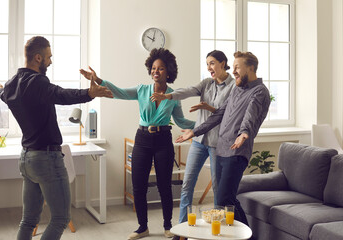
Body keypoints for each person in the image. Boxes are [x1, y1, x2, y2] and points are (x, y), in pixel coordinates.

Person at [0, 36, 113, 240]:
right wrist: (89, 94)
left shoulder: (12, 84)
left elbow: (2, 93)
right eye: (49, 57)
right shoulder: (37, 81)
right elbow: (60, 94)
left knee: (28, 220)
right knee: (60, 219)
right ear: (38, 58)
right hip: (47, 159)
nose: (51, 61)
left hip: (27, 159)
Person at [80, 48, 195, 240]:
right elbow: (119, 92)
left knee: (164, 185)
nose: (155, 71)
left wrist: (203, 124)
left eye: (160, 68)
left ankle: (168, 225)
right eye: (153, 68)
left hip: (163, 140)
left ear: (168, 72)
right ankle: (143, 227)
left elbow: (181, 122)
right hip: (142, 139)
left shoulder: (173, 96)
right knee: (138, 185)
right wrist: (99, 80)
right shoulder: (142, 90)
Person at [175, 51, 271, 227]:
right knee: (223, 199)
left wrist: (244, 133)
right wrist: (195, 132)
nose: (233, 71)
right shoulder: (237, 88)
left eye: (237, 67)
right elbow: (219, 114)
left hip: (237, 151)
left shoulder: (259, 92)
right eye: (233, 67)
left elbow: (250, 116)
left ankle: (247, 236)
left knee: (226, 198)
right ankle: (236, 234)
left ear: (250, 68)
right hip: (221, 150)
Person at [150, 50, 235, 227]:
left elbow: (230, 114)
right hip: (198, 141)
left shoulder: (233, 87)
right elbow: (188, 91)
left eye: (212, 63)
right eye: (207, 64)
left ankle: (217, 227)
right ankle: (182, 229)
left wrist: (210, 108)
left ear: (223, 63)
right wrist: (168, 95)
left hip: (216, 144)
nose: (209, 67)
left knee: (218, 189)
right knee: (187, 185)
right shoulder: (206, 83)